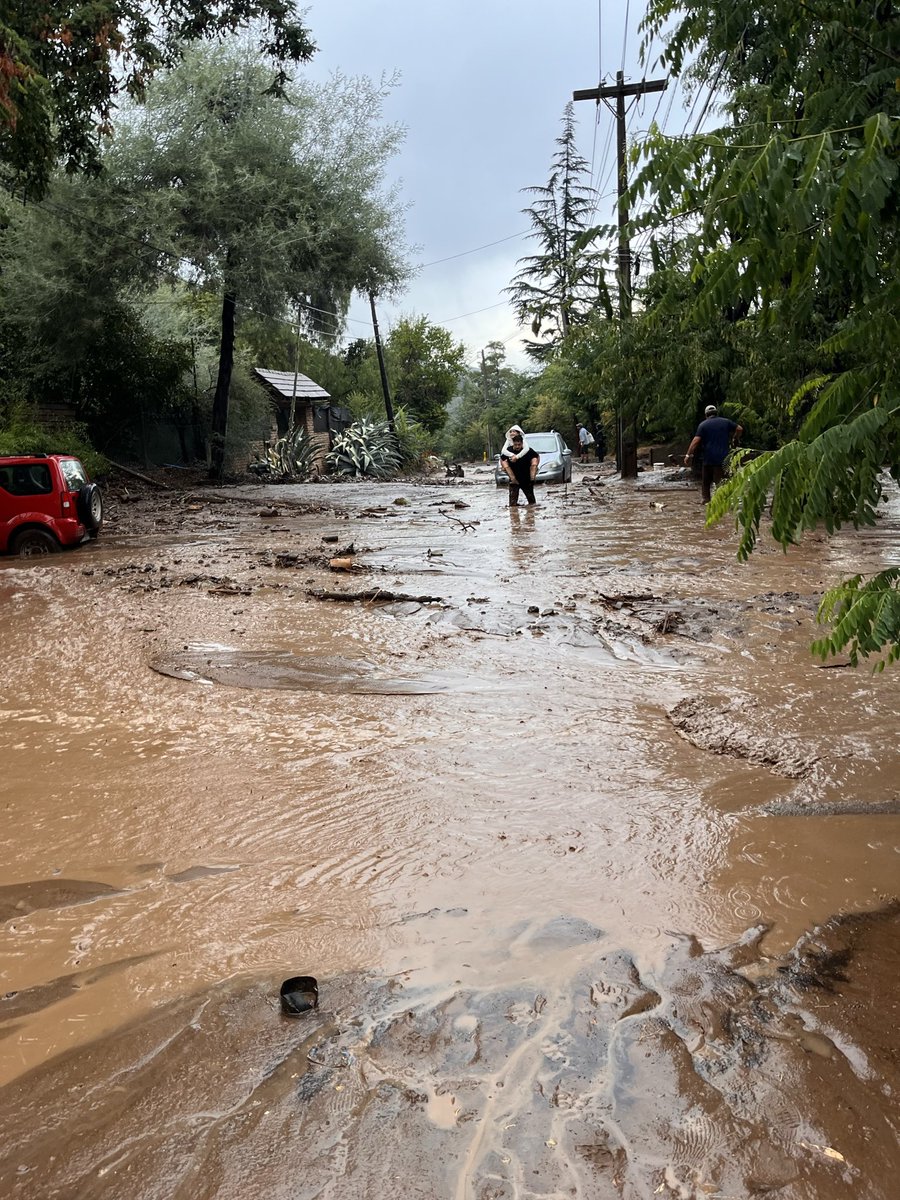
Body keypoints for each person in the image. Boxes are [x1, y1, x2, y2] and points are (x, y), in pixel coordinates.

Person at [684, 404, 744, 503]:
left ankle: (706, 500)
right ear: (716, 413)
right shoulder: (726, 422)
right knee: (721, 482)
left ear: (706, 415)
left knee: (706, 483)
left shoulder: (703, 425)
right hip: (724, 458)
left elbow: (695, 441)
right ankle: (724, 502)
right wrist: (735, 438)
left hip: (708, 459)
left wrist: (688, 455)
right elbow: (740, 429)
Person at [499, 425, 540, 506]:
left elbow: (536, 457)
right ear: (512, 443)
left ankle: (531, 516)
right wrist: (504, 467)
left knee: (532, 502)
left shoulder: (528, 450)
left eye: (519, 444)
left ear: (522, 443)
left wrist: (534, 469)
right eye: (515, 444)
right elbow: (502, 459)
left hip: (526, 479)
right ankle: (514, 517)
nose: (517, 446)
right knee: (512, 505)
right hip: (514, 480)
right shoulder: (508, 450)